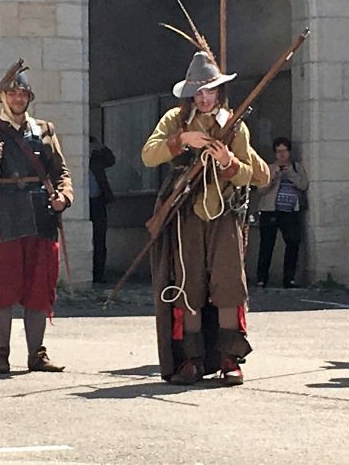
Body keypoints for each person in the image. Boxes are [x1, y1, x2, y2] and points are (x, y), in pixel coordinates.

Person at [142, 51, 269, 386]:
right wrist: (182, 140)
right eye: (198, 93)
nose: (204, 97)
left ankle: (230, 359)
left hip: (224, 214)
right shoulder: (175, 120)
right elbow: (149, 154)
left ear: (219, 93)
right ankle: (192, 360)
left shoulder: (233, 125)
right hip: (186, 216)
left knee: (228, 287)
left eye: (209, 91)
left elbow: (250, 175)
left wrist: (227, 161)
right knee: (189, 287)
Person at [0, 70, 72, 374]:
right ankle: (1, 355)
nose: (17, 98)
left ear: (28, 97)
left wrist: (63, 197)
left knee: (38, 289)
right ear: (3, 97)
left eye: (22, 94)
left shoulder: (44, 129)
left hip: (39, 215)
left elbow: (61, 172)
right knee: (1, 291)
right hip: (2, 217)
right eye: (12, 93)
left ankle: (36, 354)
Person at [255, 137, 308, 288]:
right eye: (279, 152)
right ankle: (262, 278)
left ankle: (289, 278)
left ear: (289, 152)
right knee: (266, 245)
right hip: (270, 211)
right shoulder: (269, 167)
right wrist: (273, 177)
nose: (282, 155)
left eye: (284, 151)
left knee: (293, 243)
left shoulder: (297, 167)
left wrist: (291, 174)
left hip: (290, 212)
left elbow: (303, 185)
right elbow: (261, 189)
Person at [89, 135, 116, 283]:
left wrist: (100, 147)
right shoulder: (76, 160)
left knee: (100, 238)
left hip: (98, 200)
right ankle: (89, 272)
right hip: (84, 201)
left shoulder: (98, 158)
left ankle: (99, 274)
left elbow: (111, 160)